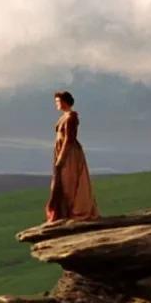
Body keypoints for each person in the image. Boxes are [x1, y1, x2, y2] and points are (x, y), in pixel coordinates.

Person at [45, 90, 100, 222]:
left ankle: (74, 210)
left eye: (58, 101)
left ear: (64, 101)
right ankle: (63, 212)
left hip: (70, 155)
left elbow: (69, 139)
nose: (56, 104)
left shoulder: (71, 117)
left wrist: (61, 158)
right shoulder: (64, 117)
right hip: (63, 151)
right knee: (62, 182)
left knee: (69, 181)